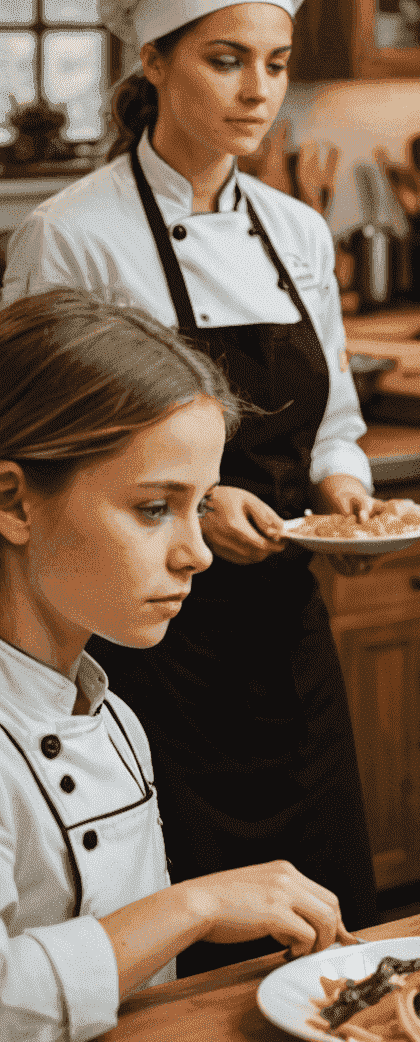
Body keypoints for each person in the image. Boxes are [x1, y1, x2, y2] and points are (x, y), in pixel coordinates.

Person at [2, 0, 377, 971]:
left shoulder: (298, 229)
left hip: (287, 634)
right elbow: (37, 435)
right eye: (225, 59)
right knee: (191, 945)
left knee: (323, 913)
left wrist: (345, 486)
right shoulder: (73, 232)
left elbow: (334, 413)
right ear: (155, 61)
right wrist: (195, 502)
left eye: (275, 62)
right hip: (148, 642)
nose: (258, 89)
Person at [0, 290, 353, 1042]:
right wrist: (192, 908)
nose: (195, 552)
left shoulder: (112, 715)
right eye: (155, 508)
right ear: (14, 501)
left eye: (201, 506)